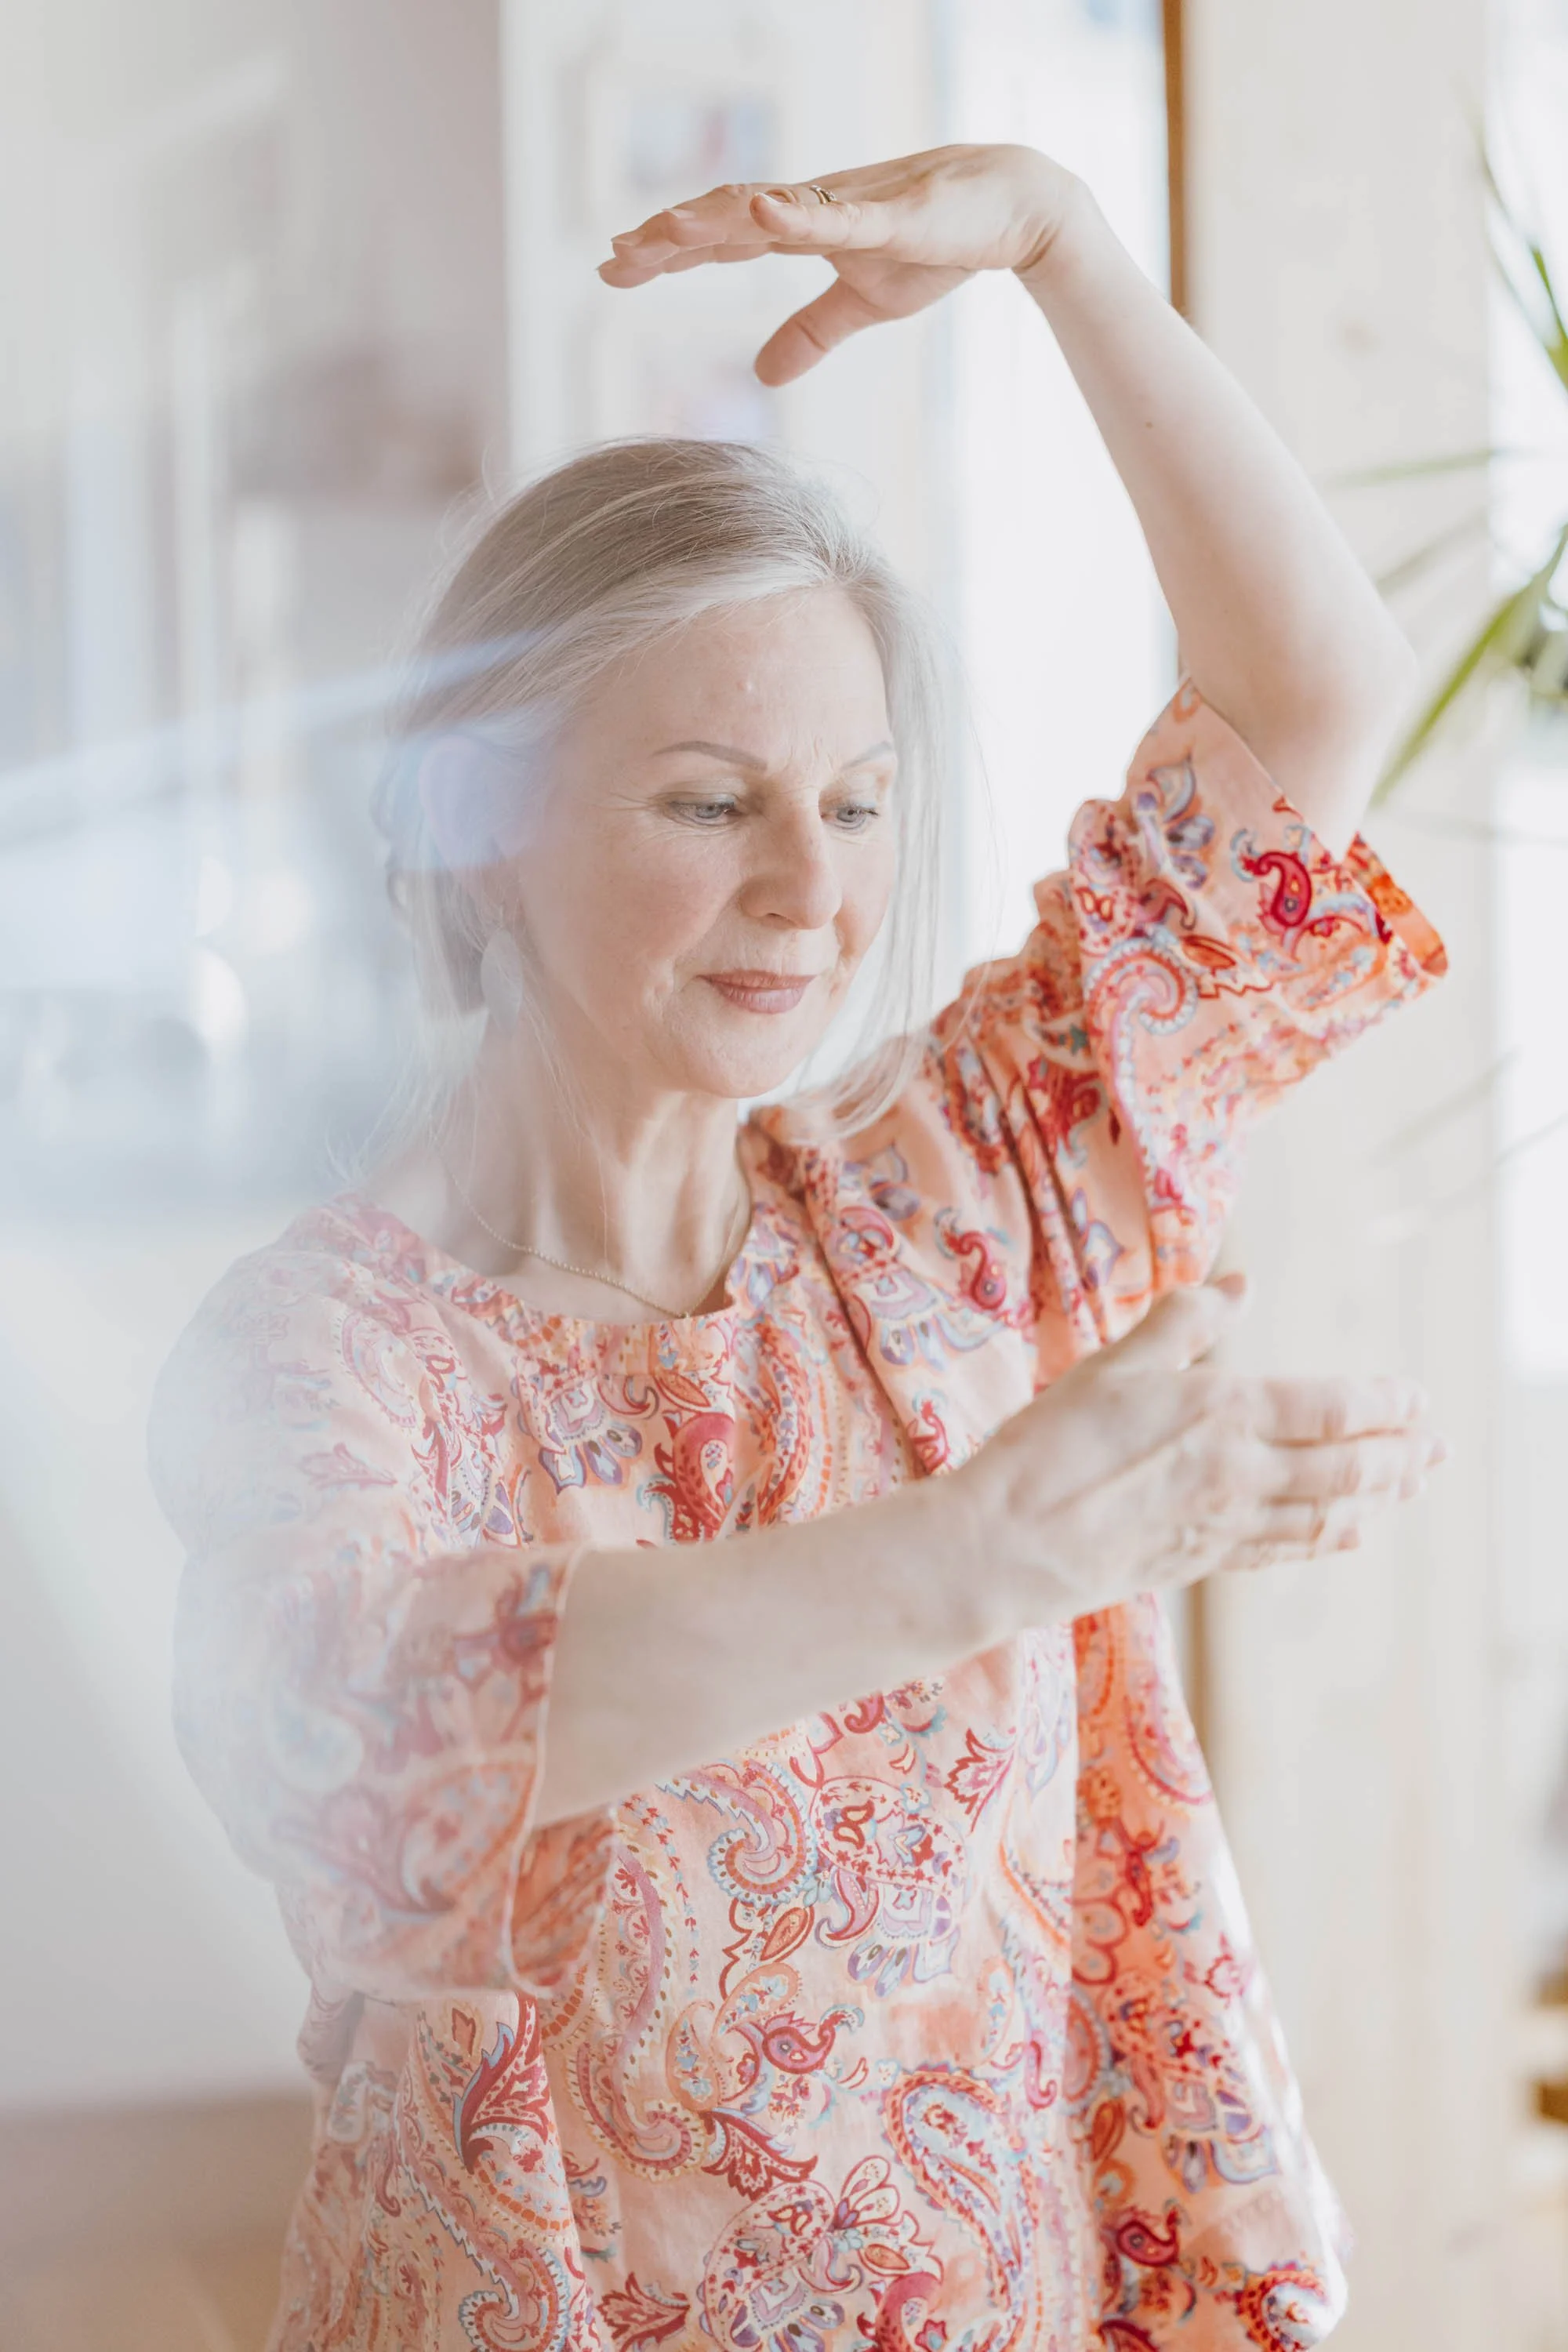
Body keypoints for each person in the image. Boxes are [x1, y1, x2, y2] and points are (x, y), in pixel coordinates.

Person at [151, 143, 1447, 2350]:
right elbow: (371, 1734)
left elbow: (1306, 713)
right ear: (477, 823)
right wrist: (986, 1552)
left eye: (853, 804)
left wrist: (1065, 247)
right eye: (706, 800)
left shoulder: (934, 1199)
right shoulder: (331, 1355)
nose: (812, 892)